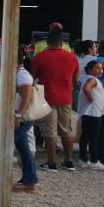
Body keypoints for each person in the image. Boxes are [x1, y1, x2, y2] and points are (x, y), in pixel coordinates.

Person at [0, 46, 40, 193]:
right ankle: (30, 180)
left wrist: (18, 115)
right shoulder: (18, 74)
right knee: (23, 148)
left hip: (20, 116)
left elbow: (26, 98)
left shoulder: (22, 75)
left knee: (5, 144)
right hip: (18, 116)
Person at [32, 27, 80, 172]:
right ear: (62, 42)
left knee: (49, 131)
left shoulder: (40, 57)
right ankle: (68, 161)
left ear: (48, 42)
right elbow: (75, 80)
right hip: (66, 97)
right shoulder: (72, 58)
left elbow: (32, 76)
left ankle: (51, 162)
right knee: (66, 130)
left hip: (47, 97)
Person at [77, 60, 104, 170]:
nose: (101, 70)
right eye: (97, 68)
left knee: (85, 136)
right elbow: (86, 88)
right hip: (93, 112)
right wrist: (91, 99)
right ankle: (95, 160)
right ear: (90, 70)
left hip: (88, 112)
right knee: (94, 137)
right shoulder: (93, 80)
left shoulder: (88, 79)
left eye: (101, 68)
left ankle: (83, 158)